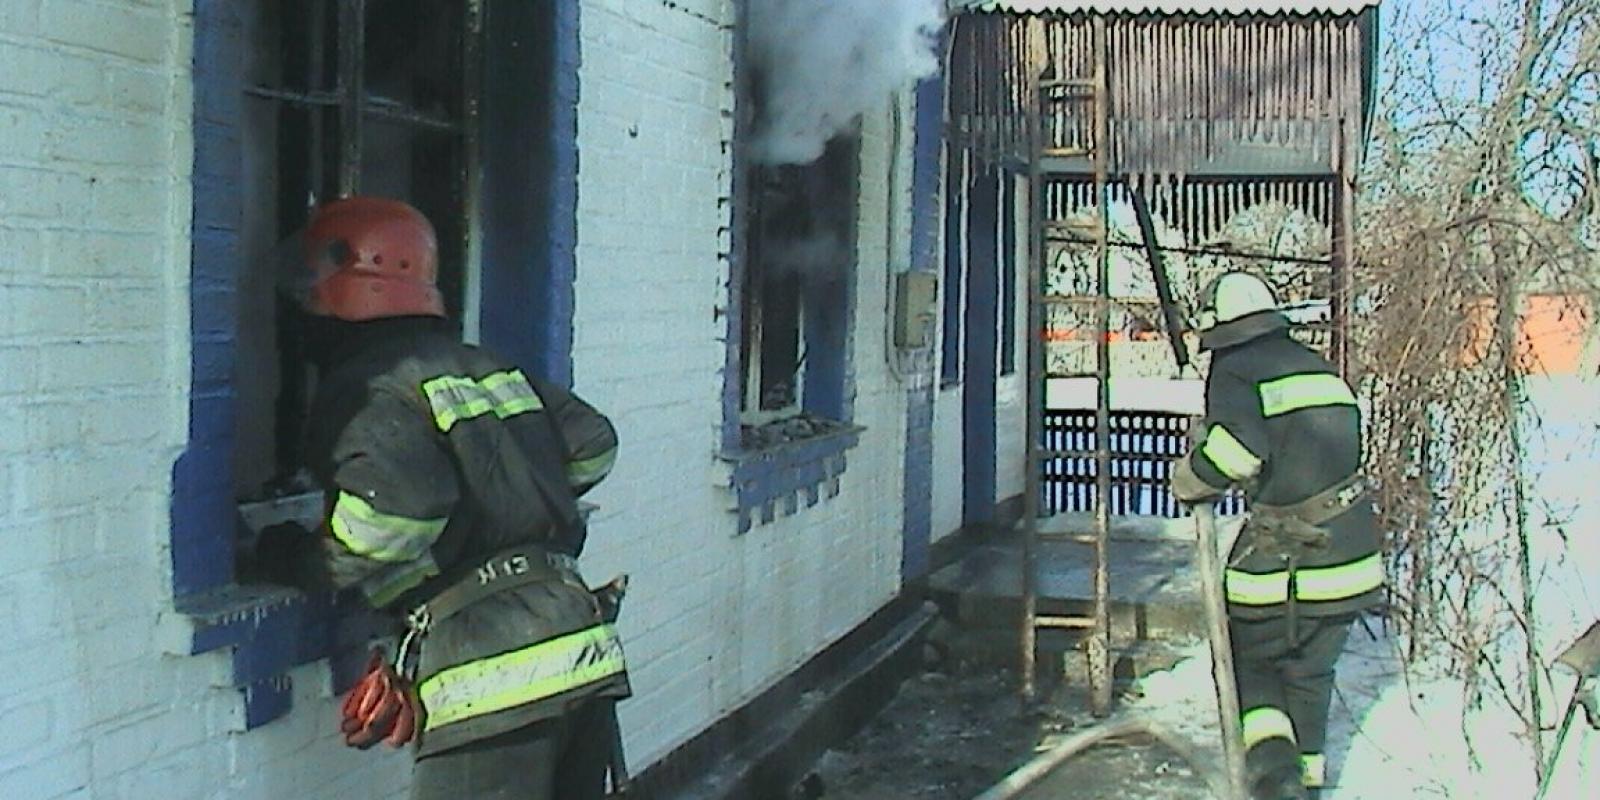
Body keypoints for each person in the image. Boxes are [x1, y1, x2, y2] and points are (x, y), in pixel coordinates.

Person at [251, 196, 628, 800]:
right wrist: (508, 496)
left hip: (498, 679)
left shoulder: (367, 386)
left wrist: (295, 558)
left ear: (340, 290)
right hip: (580, 648)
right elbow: (592, 446)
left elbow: (393, 518)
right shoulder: (481, 364)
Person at [1170, 272, 1384, 800]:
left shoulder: (1236, 368)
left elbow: (1238, 451)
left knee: (1256, 667)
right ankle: (1306, 783)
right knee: (1310, 679)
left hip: (1286, 566)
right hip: (1352, 557)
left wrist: (1191, 475)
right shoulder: (1317, 367)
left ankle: (1274, 779)